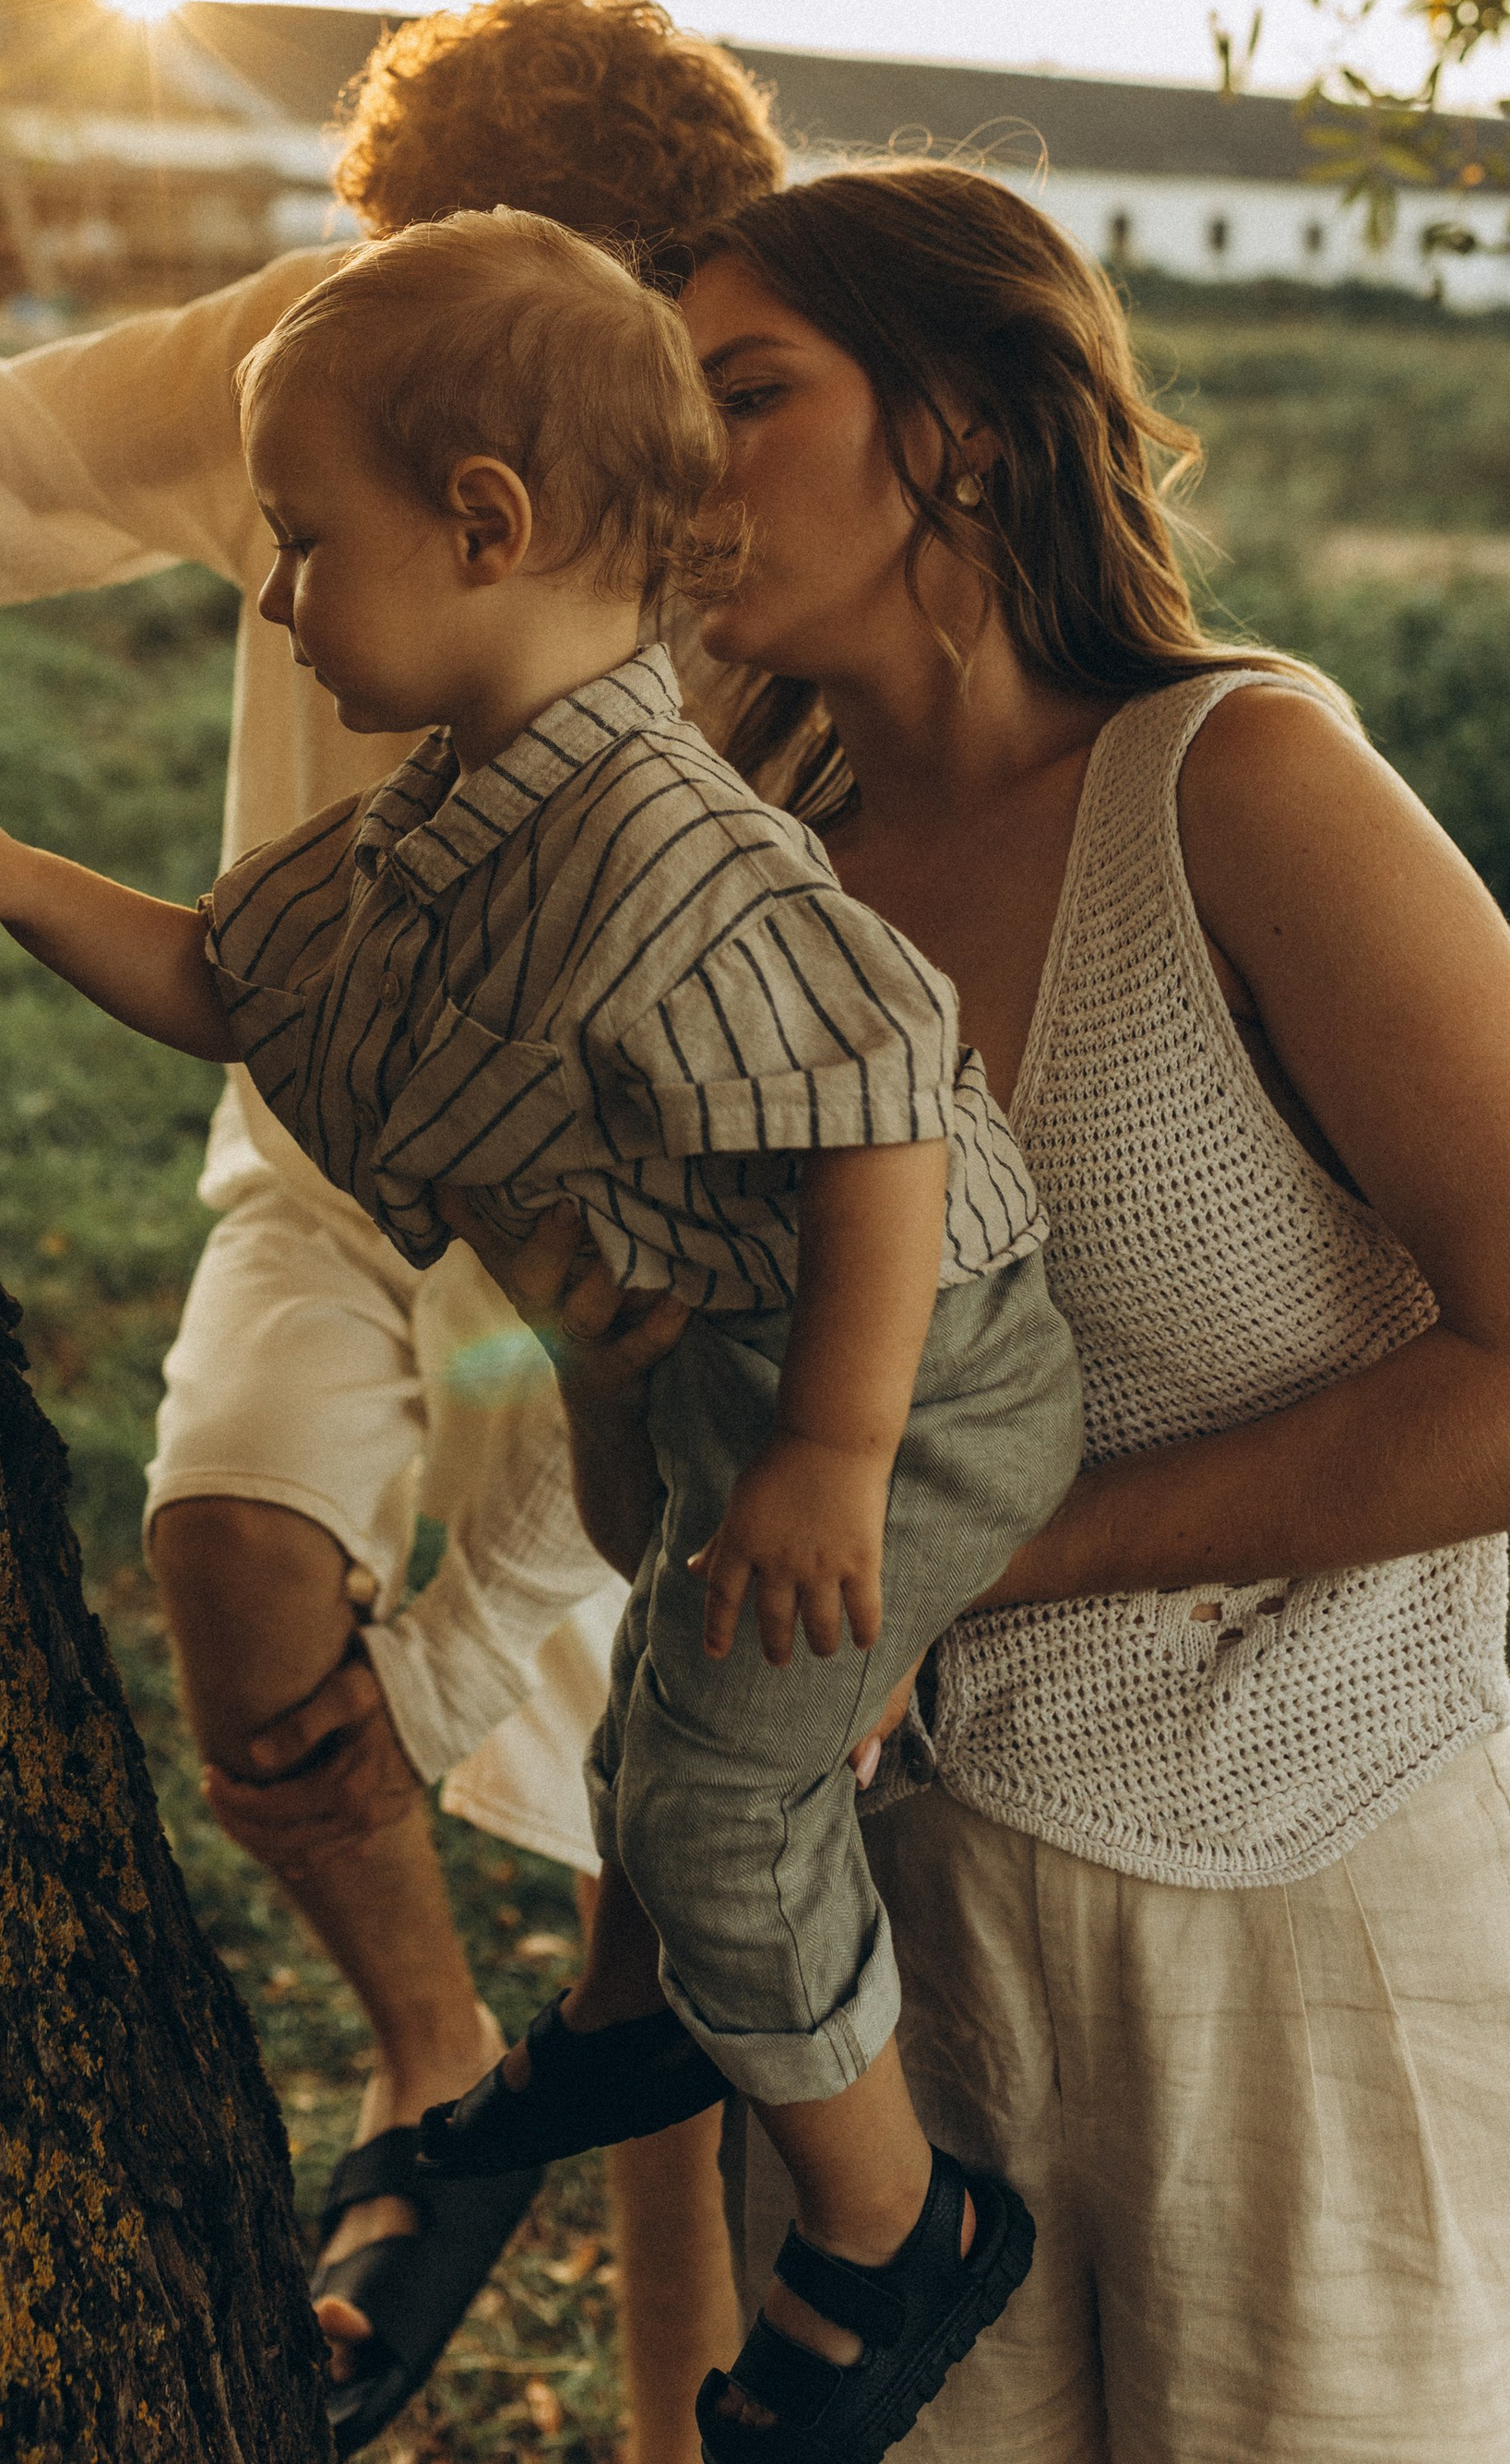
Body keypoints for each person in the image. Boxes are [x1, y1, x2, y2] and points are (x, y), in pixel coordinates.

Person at [0, 209, 1087, 2464]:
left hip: (901, 1382)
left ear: (484, 524)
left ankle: (896, 2239)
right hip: (718, 1371)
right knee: (661, 1733)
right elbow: (239, 981)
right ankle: (659, 2023)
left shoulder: (660, 850)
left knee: (713, 1807)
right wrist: (18, 878)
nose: (282, 595)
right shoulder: (449, 825)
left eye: (305, 546)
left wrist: (828, 1448)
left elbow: (889, 1101)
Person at [0, 0, 779, 2456]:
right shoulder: (339, 354)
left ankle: (685, 2372)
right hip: (333, 1158)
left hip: (654, 1231)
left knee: (703, 1860)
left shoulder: (745, 449)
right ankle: (429, 2072)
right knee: (236, 1545)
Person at [488, 157, 1510, 2463]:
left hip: (1293, 1905)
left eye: (742, 394)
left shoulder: (1232, 784)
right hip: (876, 1976)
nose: (681, 465)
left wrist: (981, 1559)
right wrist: (601, 1343)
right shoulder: (740, 891)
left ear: (960, 423)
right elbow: (687, 1494)